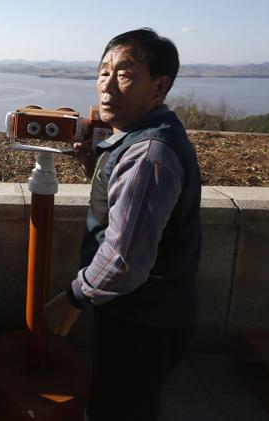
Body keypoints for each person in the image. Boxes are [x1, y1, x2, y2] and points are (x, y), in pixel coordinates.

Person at [45, 28, 202, 421]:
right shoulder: (147, 138)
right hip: (153, 312)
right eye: (102, 72)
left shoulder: (148, 154)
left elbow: (124, 258)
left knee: (117, 409)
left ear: (159, 86)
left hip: (144, 319)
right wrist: (94, 168)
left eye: (125, 74)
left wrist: (73, 298)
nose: (107, 87)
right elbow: (132, 212)